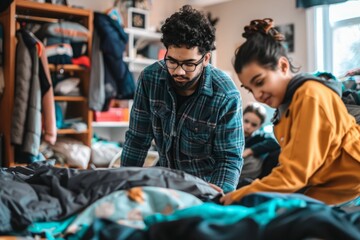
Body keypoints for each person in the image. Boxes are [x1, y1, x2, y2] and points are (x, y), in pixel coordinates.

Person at [220, 18, 360, 206]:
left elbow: (294, 174)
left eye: (260, 82)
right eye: (250, 89)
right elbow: (293, 164)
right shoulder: (286, 108)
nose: (257, 95)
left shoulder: (310, 96)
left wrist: (238, 195)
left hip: (348, 183)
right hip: (326, 183)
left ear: (283, 66)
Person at [121, 5, 244, 193]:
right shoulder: (150, 79)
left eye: (188, 64)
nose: (178, 71)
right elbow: (138, 139)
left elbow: (229, 158)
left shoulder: (226, 95)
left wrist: (218, 197)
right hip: (165, 178)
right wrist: (124, 183)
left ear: (205, 59)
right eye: (172, 61)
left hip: (205, 186)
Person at [239, 102, 280, 183]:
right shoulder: (230, 133)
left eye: (253, 125)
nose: (248, 127)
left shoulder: (257, 137)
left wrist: (250, 151)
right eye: (246, 121)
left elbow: (274, 143)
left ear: (259, 126)